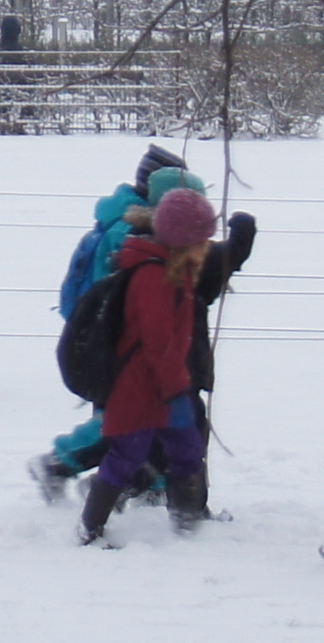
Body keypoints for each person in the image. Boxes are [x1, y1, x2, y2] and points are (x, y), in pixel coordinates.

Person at [30, 150, 258, 500]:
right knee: (129, 424)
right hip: (122, 350)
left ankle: (135, 487)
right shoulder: (137, 234)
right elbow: (149, 292)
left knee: (142, 426)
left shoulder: (123, 221)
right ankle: (72, 470)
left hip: (116, 345)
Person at [75, 187, 219, 540]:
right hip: (141, 388)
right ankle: (89, 528)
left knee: (187, 450)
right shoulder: (153, 277)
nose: (207, 247)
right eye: (201, 240)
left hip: (167, 387)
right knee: (128, 455)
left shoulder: (176, 272)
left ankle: (188, 522)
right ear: (183, 240)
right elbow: (158, 342)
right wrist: (175, 386)